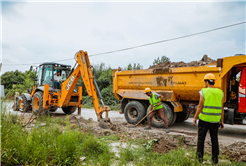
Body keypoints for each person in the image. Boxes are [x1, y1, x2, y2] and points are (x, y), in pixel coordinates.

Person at [193, 73, 224, 164]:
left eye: (205, 82)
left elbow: (200, 106)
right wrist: (221, 121)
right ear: (213, 82)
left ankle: (199, 160)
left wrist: (195, 118)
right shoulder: (220, 92)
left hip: (204, 120)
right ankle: (215, 161)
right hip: (215, 121)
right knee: (214, 140)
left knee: (201, 139)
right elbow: (221, 108)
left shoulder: (203, 91)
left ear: (206, 82)